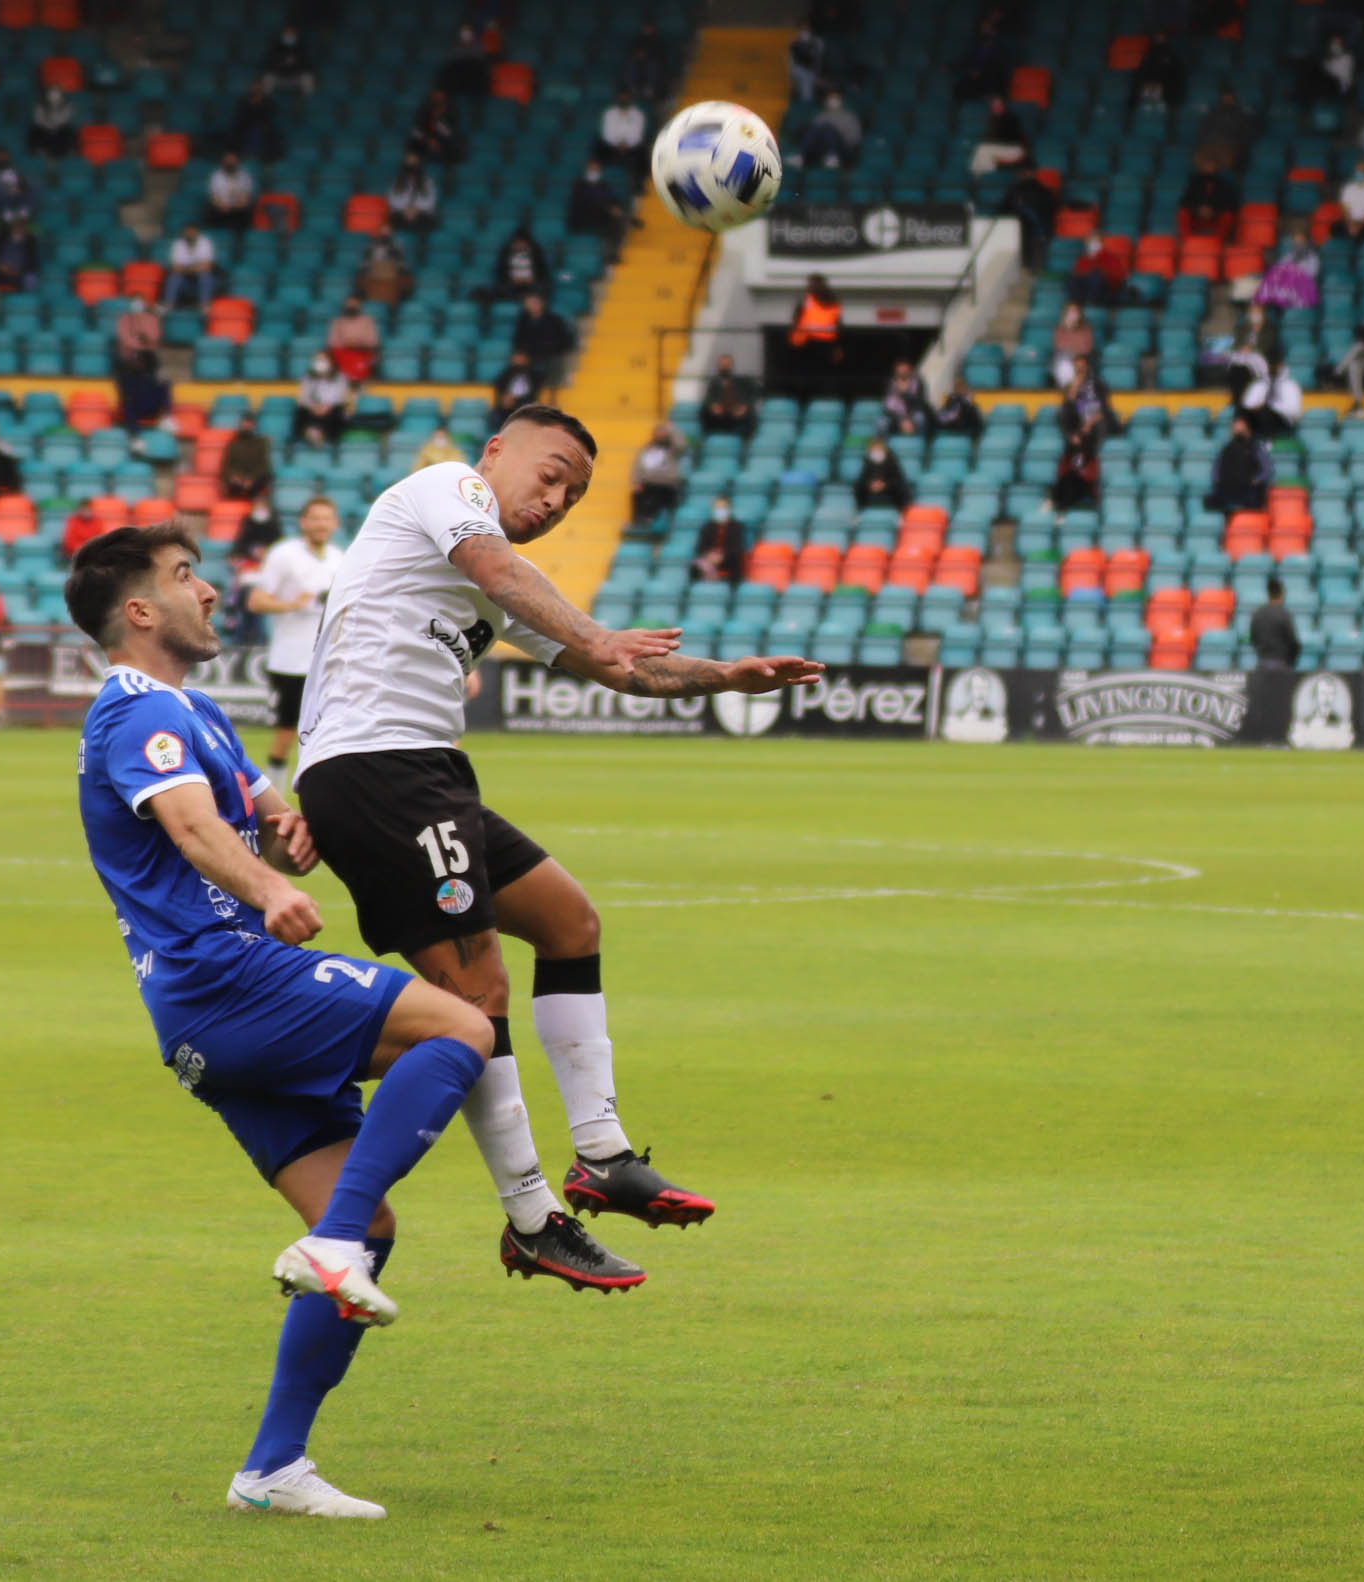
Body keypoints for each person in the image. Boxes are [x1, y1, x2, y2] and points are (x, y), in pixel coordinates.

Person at [293, 412, 823, 1288]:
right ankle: (532, 1216)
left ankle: (602, 1157)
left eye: (574, 494)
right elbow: (499, 570)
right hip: (376, 771)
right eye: (551, 474)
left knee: (570, 922)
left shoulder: (502, 575)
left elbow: (618, 670)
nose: (557, 499)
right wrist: (593, 634)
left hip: (427, 772)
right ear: (497, 451)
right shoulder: (446, 490)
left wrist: (724, 676)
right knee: (473, 993)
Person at [64, 523, 495, 1522]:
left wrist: (286, 827)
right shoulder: (134, 712)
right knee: (460, 1030)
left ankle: (272, 1468)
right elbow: (189, 825)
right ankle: (333, 1242)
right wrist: (264, 884)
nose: (209, 591)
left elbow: (257, 804)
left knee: (369, 1221)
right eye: (183, 577)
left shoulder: (197, 711)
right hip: (227, 977)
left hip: (199, 1017)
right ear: (137, 611)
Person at [249, 497, 344, 777]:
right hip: (290, 661)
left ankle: (322, 800)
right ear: (303, 522)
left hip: (328, 662)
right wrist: (291, 605)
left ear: (335, 524)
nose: (321, 524)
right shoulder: (284, 554)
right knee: (286, 733)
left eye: (326, 519)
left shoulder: (339, 558)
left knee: (328, 735)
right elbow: (256, 601)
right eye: (315, 518)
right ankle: (273, 803)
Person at [1204, 416, 1273, 513]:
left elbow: (1266, 470)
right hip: (1228, 490)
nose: (1237, 432)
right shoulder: (1226, 449)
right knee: (1209, 501)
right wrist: (1219, 482)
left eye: (1241, 429)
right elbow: (1216, 471)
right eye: (1235, 429)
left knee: (1252, 500)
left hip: (1248, 490)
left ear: (1248, 430)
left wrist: (1255, 480)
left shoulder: (1256, 448)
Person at [509, 293, 576, 391]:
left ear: (542, 303)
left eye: (534, 302)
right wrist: (520, 353)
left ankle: (553, 392)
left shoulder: (554, 320)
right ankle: (525, 394)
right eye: (529, 302)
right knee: (519, 361)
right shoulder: (523, 320)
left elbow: (563, 340)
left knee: (554, 362)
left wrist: (552, 349)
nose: (532, 305)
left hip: (551, 353)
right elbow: (518, 339)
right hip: (530, 353)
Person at [787, 275, 844, 388]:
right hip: (806, 344)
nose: (810, 286)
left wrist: (837, 347)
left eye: (813, 284)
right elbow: (795, 320)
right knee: (805, 377)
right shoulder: (805, 300)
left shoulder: (833, 302)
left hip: (824, 346)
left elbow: (838, 325)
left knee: (822, 377)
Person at [627, 423, 685, 529]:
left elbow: (681, 445)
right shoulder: (646, 449)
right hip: (648, 482)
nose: (660, 436)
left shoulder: (672, 450)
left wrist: (670, 429)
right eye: (658, 433)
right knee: (637, 494)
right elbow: (637, 466)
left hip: (667, 483)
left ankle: (651, 519)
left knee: (657, 496)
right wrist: (636, 481)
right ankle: (639, 520)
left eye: (662, 433)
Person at [566, 161, 630, 256]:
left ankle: (612, 253)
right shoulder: (579, 186)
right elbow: (581, 203)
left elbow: (614, 199)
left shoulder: (604, 185)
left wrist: (617, 208)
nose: (593, 172)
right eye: (591, 169)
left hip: (601, 218)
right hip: (583, 218)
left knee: (617, 221)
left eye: (596, 170)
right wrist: (608, 208)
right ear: (586, 171)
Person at [1180, 152, 1241, 240]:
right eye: (1206, 164)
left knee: (1227, 215)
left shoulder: (1224, 184)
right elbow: (1185, 201)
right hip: (1197, 215)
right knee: (1183, 213)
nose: (1209, 167)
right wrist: (1198, 209)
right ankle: (1187, 240)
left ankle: (1219, 241)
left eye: (1211, 164)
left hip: (1216, 215)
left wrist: (1214, 211)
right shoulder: (1194, 183)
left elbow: (1231, 204)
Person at [294, 355, 352, 446]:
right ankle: (309, 434)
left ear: (330, 362)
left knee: (337, 413)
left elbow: (341, 397)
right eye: (318, 360)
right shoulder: (308, 378)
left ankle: (322, 436)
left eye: (323, 360)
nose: (320, 362)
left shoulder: (340, 378)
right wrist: (312, 406)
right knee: (300, 411)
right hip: (312, 409)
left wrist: (327, 407)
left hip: (331, 409)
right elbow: (303, 398)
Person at [1057, 358, 1115, 447]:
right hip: (1080, 420)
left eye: (1082, 368)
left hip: (1096, 420)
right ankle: (1073, 439)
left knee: (1100, 425)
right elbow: (1067, 408)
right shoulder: (1070, 386)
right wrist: (1074, 388)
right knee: (1062, 414)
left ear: (1087, 368)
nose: (1079, 370)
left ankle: (1096, 452)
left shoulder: (1098, 384)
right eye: (1077, 368)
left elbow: (1105, 409)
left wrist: (1089, 423)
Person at [484, 224, 549, 304]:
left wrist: (531, 279)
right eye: (517, 243)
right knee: (500, 290)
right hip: (511, 286)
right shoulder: (505, 255)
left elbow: (543, 273)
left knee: (541, 289)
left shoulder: (536, 254)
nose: (520, 246)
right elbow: (500, 273)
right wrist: (512, 280)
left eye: (523, 243)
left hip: (531, 286)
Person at [968, 94, 1030, 177]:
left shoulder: (1011, 119)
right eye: (994, 106)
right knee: (981, 151)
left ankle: (984, 177)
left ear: (1004, 106)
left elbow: (1006, 139)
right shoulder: (993, 120)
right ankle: (979, 177)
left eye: (998, 105)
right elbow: (990, 139)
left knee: (983, 150)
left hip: (1014, 149)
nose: (996, 108)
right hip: (1001, 149)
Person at [0, 217, 40, 294]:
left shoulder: (30, 242)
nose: (19, 230)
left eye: (22, 228)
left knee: (31, 279)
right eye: (17, 227)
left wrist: (18, 270)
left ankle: (25, 302)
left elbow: (33, 263)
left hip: (20, 274)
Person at [163, 223, 218, 312]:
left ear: (197, 232)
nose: (190, 234)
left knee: (206, 276)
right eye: (188, 232)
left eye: (192, 232)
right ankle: (168, 305)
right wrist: (195, 268)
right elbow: (174, 267)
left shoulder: (205, 243)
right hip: (184, 279)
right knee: (173, 277)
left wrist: (186, 268)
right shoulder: (178, 244)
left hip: (200, 278)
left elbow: (207, 266)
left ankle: (204, 306)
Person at [219, 413, 274, 502]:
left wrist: (252, 479)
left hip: (255, 482)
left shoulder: (260, 443)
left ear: (254, 426)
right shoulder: (233, 444)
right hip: (236, 482)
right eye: (245, 423)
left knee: (260, 486)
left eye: (250, 423)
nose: (247, 426)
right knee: (231, 486)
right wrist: (234, 477)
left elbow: (265, 466)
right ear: (241, 424)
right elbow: (226, 466)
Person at [694, 495, 748, 584]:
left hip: (729, 560)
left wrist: (722, 556)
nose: (720, 511)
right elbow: (700, 546)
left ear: (729, 509)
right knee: (696, 567)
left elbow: (738, 547)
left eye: (723, 508)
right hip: (710, 559)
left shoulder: (737, 527)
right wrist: (710, 555)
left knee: (736, 563)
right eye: (717, 508)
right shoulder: (707, 527)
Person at [1248, 577, 1299, 670]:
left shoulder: (1257, 614)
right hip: (1281, 665)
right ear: (1281, 594)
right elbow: (1293, 642)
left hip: (1262, 664)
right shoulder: (1284, 614)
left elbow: (1253, 639)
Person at [353, 226, 413, 305]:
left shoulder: (396, 247)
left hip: (392, 274)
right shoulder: (372, 246)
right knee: (360, 276)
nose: (385, 236)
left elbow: (402, 262)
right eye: (383, 233)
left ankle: (401, 301)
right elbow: (365, 262)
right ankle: (363, 297)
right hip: (374, 273)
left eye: (387, 233)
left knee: (405, 277)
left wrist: (394, 264)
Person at [325, 297, 379, 384]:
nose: (351, 307)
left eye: (354, 305)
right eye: (349, 305)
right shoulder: (337, 322)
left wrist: (358, 343)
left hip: (362, 352)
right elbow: (332, 342)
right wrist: (348, 343)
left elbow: (373, 341)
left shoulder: (367, 321)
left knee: (372, 357)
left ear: (359, 306)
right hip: (343, 352)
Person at [801, 91, 861, 169]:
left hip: (843, 148)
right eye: (830, 99)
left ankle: (833, 157)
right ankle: (802, 156)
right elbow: (813, 133)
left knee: (828, 129)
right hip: (821, 147)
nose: (833, 101)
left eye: (835, 98)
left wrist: (840, 135)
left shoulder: (849, 116)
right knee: (814, 127)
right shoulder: (821, 116)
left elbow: (855, 138)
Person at [229, 81, 285, 165]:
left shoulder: (268, 102)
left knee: (268, 134)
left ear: (262, 88)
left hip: (264, 130)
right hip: (245, 129)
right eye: (255, 87)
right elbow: (241, 117)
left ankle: (266, 161)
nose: (257, 89)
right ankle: (243, 156)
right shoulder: (243, 101)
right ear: (250, 88)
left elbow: (269, 116)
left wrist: (259, 104)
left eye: (259, 87)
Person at [700, 354, 756, 436]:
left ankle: (747, 440)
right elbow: (708, 398)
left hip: (737, 412)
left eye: (726, 364)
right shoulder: (713, 383)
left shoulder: (741, 381)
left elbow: (752, 395)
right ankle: (707, 437)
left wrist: (744, 407)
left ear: (731, 365)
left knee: (750, 412)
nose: (724, 367)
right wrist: (713, 406)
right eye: (722, 364)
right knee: (704, 410)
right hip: (720, 413)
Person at [1067, 232, 1127, 307]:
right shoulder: (1082, 259)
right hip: (1085, 290)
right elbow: (1078, 273)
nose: (1093, 244)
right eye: (1090, 241)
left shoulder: (1110, 257)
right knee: (1072, 278)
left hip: (1106, 291)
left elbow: (1118, 277)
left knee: (1096, 277)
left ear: (1101, 242)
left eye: (1096, 241)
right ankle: (1076, 304)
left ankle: (1092, 304)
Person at [1245, 360, 1303, 437]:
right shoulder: (1258, 384)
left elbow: (1294, 411)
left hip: (1283, 420)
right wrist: (1255, 407)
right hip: (1257, 418)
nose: (1273, 368)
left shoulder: (1290, 385)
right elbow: (1247, 404)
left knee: (1265, 413)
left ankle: (1267, 441)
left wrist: (1271, 407)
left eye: (1276, 365)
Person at [853, 437, 912, 513]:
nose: (876, 451)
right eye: (874, 449)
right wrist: (870, 484)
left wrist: (884, 485)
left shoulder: (892, 460)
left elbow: (897, 478)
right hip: (871, 488)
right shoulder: (867, 461)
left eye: (879, 449)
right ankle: (859, 512)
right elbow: (863, 477)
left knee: (901, 487)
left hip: (889, 488)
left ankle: (901, 513)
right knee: (858, 486)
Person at [1047, 434, 1100, 514]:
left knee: (1070, 482)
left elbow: (1093, 476)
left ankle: (1061, 509)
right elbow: (1061, 473)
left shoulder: (1092, 458)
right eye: (1074, 441)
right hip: (1068, 483)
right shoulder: (1067, 456)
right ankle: (1057, 507)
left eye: (1078, 440)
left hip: (1085, 485)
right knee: (1068, 480)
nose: (1076, 443)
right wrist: (1072, 468)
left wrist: (1081, 472)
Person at [202, 153, 255, 231]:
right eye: (228, 161)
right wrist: (222, 206)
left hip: (238, 209)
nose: (230, 163)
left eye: (233, 161)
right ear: (223, 162)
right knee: (209, 209)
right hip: (220, 208)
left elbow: (246, 198)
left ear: (237, 162)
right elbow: (213, 197)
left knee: (247, 211)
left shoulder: (244, 176)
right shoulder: (216, 177)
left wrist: (234, 207)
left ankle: (240, 238)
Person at [258, 24, 315, 96]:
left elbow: (307, 65)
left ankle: (308, 102)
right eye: (287, 33)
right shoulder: (275, 47)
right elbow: (268, 64)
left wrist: (296, 70)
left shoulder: (301, 48)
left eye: (291, 33)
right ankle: (267, 100)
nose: (289, 35)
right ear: (282, 34)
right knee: (267, 78)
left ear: (296, 34)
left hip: (295, 77)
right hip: (279, 77)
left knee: (307, 78)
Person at [387, 154, 438, 233]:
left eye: (414, 163)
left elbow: (431, 199)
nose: (411, 166)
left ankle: (422, 241)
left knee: (428, 224)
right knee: (391, 221)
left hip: (422, 214)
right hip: (402, 213)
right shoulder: (397, 181)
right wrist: (405, 209)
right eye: (409, 163)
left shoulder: (427, 181)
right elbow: (392, 199)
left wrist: (417, 209)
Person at [596, 91, 646, 170]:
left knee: (642, 154)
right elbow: (607, 134)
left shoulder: (638, 114)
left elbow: (637, 136)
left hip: (631, 147)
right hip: (612, 146)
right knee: (599, 148)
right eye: (622, 97)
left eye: (626, 97)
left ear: (630, 98)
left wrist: (626, 144)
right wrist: (617, 143)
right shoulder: (609, 113)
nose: (624, 99)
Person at [1134, 29, 1185, 108]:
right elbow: (1142, 73)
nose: (1159, 38)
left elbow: (1176, 74)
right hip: (1150, 86)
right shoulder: (1148, 55)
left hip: (1166, 88)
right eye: (1157, 36)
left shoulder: (1171, 56)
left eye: (1161, 36)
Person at [881, 361, 934, 437]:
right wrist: (901, 419)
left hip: (913, 413)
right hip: (895, 415)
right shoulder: (890, 383)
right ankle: (883, 446)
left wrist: (905, 394)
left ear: (910, 371)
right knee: (882, 422)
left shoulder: (917, 382)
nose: (903, 372)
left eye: (905, 370)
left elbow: (920, 402)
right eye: (900, 370)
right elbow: (887, 405)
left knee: (920, 418)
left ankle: (920, 444)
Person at [1050, 301, 1095, 389]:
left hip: (1081, 358)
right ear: (1065, 314)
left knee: (1079, 364)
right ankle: (1068, 389)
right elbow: (1059, 346)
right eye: (1070, 312)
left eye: (1074, 311)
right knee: (1064, 364)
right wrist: (1069, 329)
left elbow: (1086, 348)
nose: (1072, 314)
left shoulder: (1085, 329)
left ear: (1079, 314)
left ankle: (1076, 389)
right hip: (1064, 357)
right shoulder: (1060, 329)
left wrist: (1073, 348)